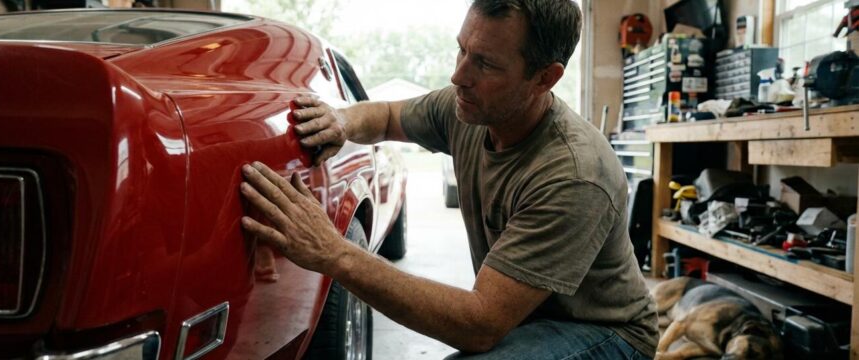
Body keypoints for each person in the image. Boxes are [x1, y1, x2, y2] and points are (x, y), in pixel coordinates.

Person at [238, 0, 658, 358]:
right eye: (462, 51)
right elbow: (386, 117)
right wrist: (341, 121)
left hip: (607, 332)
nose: (459, 75)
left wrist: (336, 254)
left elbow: (479, 323)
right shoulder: (471, 109)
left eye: (486, 64)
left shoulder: (573, 174)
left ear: (545, 78)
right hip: (528, 315)